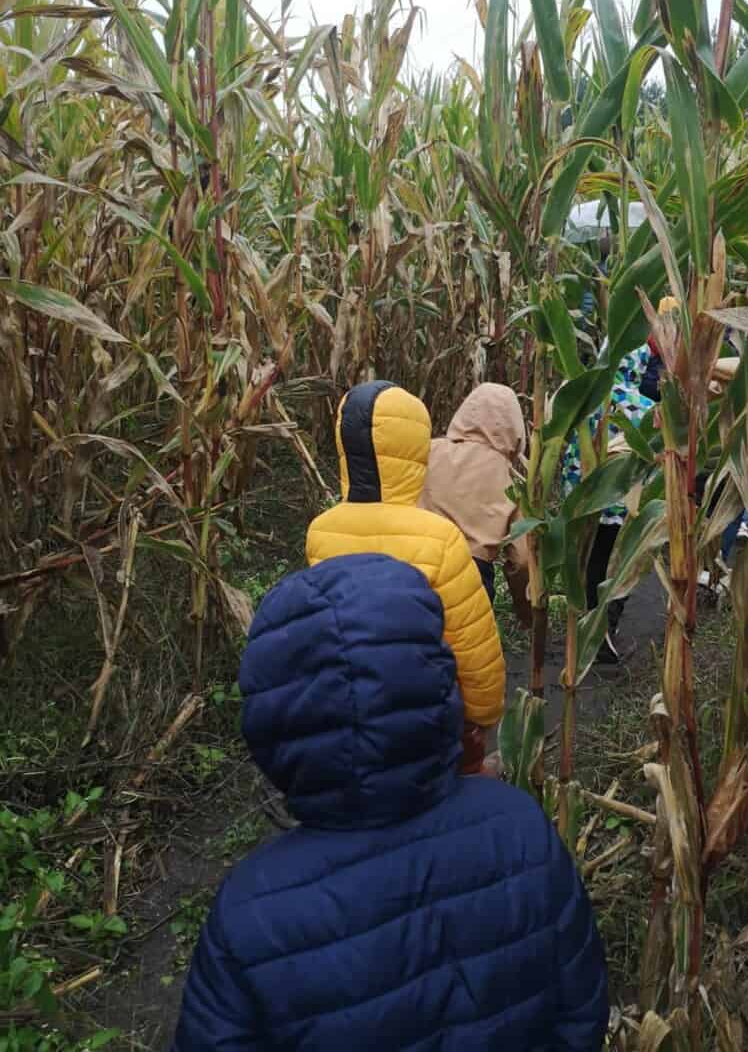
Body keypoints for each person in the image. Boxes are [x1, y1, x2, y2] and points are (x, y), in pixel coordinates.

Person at [172, 554, 610, 1051]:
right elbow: (582, 1010)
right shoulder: (520, 829)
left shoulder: (249, 915)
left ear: (271, 720)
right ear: (438, 681)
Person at [306, 380, 505, 775]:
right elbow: (470, 641)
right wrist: (484, 713)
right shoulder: (439, 538)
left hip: (352, 708)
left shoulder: (321, 531)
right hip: (429, 711)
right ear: (415, 446)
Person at [561, 345, 655, 662]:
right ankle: (602, 637)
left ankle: (581, 627)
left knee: (588, 566)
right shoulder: (644, 410)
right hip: (619, 508)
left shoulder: (584, 401)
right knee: (614, 572)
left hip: (583, 503)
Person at [419, 383, 531, 624]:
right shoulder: (509, 481)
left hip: (414, 566)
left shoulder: (426, 451)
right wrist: (526, 615)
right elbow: (522, 561)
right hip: (470, 579)